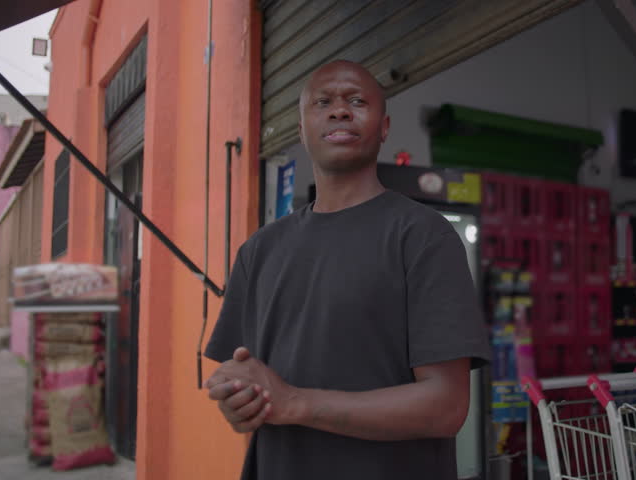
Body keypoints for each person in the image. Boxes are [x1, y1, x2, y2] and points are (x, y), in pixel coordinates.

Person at [203, 59, 491, 479]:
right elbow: (248, 391)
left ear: (385, 126)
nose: (340, 110)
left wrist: (295, 402)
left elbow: (446, 407)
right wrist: (240, 401)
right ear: (301, 129)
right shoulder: (259, 250)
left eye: (357, 100)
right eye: (323, 102)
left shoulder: (423, 235)